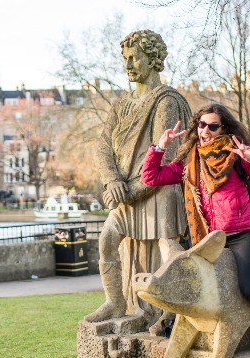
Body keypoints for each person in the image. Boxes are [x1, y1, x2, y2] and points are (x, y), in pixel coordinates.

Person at [141, 103, 250, 352]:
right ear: (196, 127)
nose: (206, 130)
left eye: (213, 126)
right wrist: (160, 147)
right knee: (192, 284)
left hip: (243, 234)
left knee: (249, 287)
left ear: (223, 129)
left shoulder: (237, 155)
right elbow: (150, 177)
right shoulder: (189, 161)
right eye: (202, 124)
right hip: (208, 239)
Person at [86, 29, 189, 328]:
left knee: (167, 249)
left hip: (158, 191)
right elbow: (103, 145)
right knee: (107, 239)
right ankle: (115, 302)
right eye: (125, 59)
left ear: (153, 59)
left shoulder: (166, 100)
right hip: (126, 192)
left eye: (135, 58)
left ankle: (176, 310)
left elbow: (167, 157)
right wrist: (112, 181)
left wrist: (128, 191)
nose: (128, 65)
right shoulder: (121, 104)